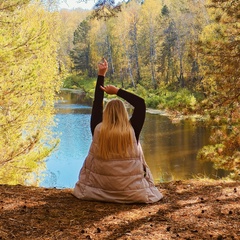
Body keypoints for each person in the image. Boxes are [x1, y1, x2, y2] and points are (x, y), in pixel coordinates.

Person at [73, 58, 163, 203]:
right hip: (131, 192)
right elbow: (140, 104)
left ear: (106, 113)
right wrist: (117, 91)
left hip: (97, 191)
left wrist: (101, 75)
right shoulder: (132, 130)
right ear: (124, 113)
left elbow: (97, 104)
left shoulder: (97, 129)